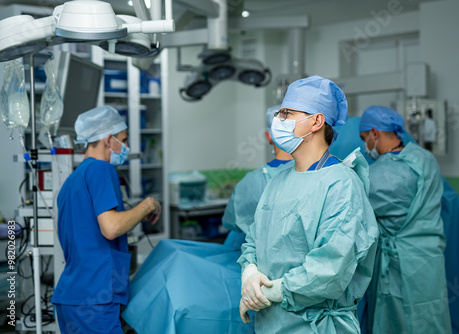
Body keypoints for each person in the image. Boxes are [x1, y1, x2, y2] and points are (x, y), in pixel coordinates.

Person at [121, 105, 293, 334]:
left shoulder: (253, 182)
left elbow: (232, 222)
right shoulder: (317, 178)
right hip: (291, 279)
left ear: (267, 136)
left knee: (171, 257)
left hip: (254, 273)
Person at [237, 75, 379, 333]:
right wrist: (250, 272)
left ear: (316, 121)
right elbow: (254, 241)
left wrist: (270, 292)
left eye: (286, 113)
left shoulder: (341, 185)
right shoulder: (278, 181)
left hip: (317, 326)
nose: (278, 121)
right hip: (270, 323)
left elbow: (329, 269)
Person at [51, 105, 161, 334]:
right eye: (124, 139)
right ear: (108, 139)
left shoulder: (71, 182)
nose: (126, 146)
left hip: (71, 297)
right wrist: (148, 205)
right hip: (95, 297)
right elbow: (111, 228)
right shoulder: (101, 169)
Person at [359, 105, 451, 334]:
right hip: (429, 261)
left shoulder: (377, 176)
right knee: (430, 318)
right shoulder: (426, 159)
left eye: (364, 138)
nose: (365, 146)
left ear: (375, 133)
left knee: (394, 321)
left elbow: (355, 212)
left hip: (398, 266)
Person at [222, 105, 293, 240]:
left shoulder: (249, 182)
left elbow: (231, 222)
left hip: (254, 255)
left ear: (268, 137)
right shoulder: (316, 173)